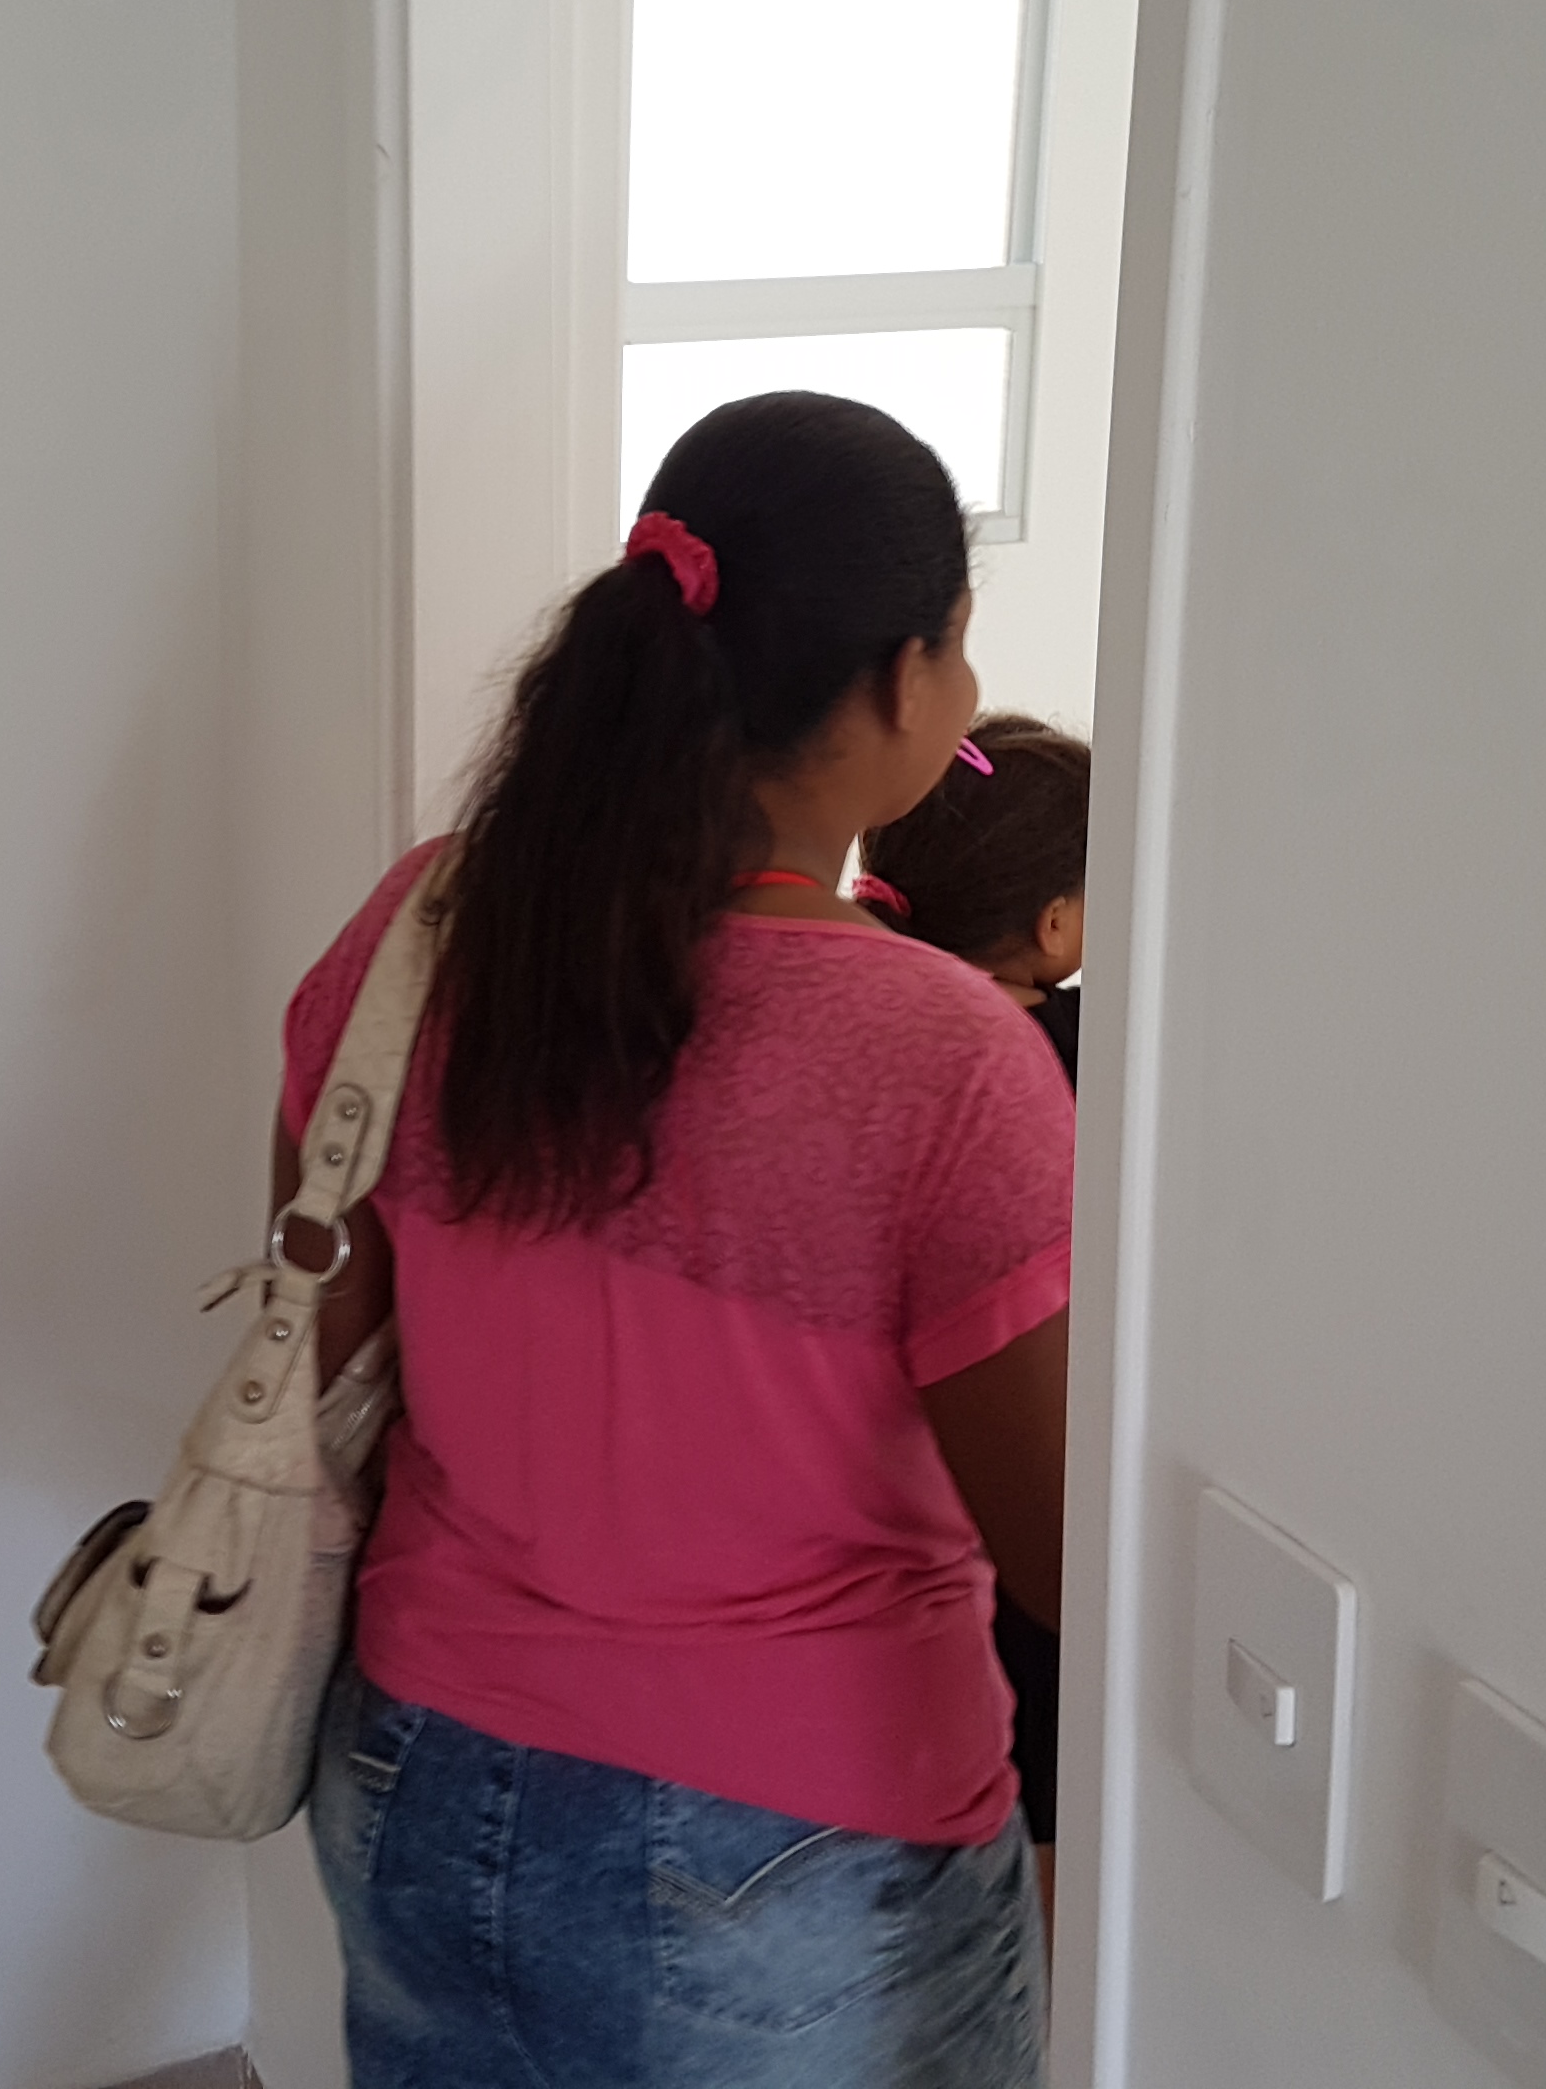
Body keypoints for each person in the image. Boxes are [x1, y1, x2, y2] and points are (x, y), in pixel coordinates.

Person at [275, 392, 1071, 2089]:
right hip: (795, 1846)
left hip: (421, 1772)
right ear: (902, 678)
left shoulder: (422, 929)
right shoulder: (948, 1054)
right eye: (956, 643)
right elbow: (1063, 1554)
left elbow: (321, 1336)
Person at [858, 715, 1094, 1916]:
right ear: (1055, 926)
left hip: (885, 1500)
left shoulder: (856, 1027)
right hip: (1028, 1495)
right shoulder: (1074, 1051)